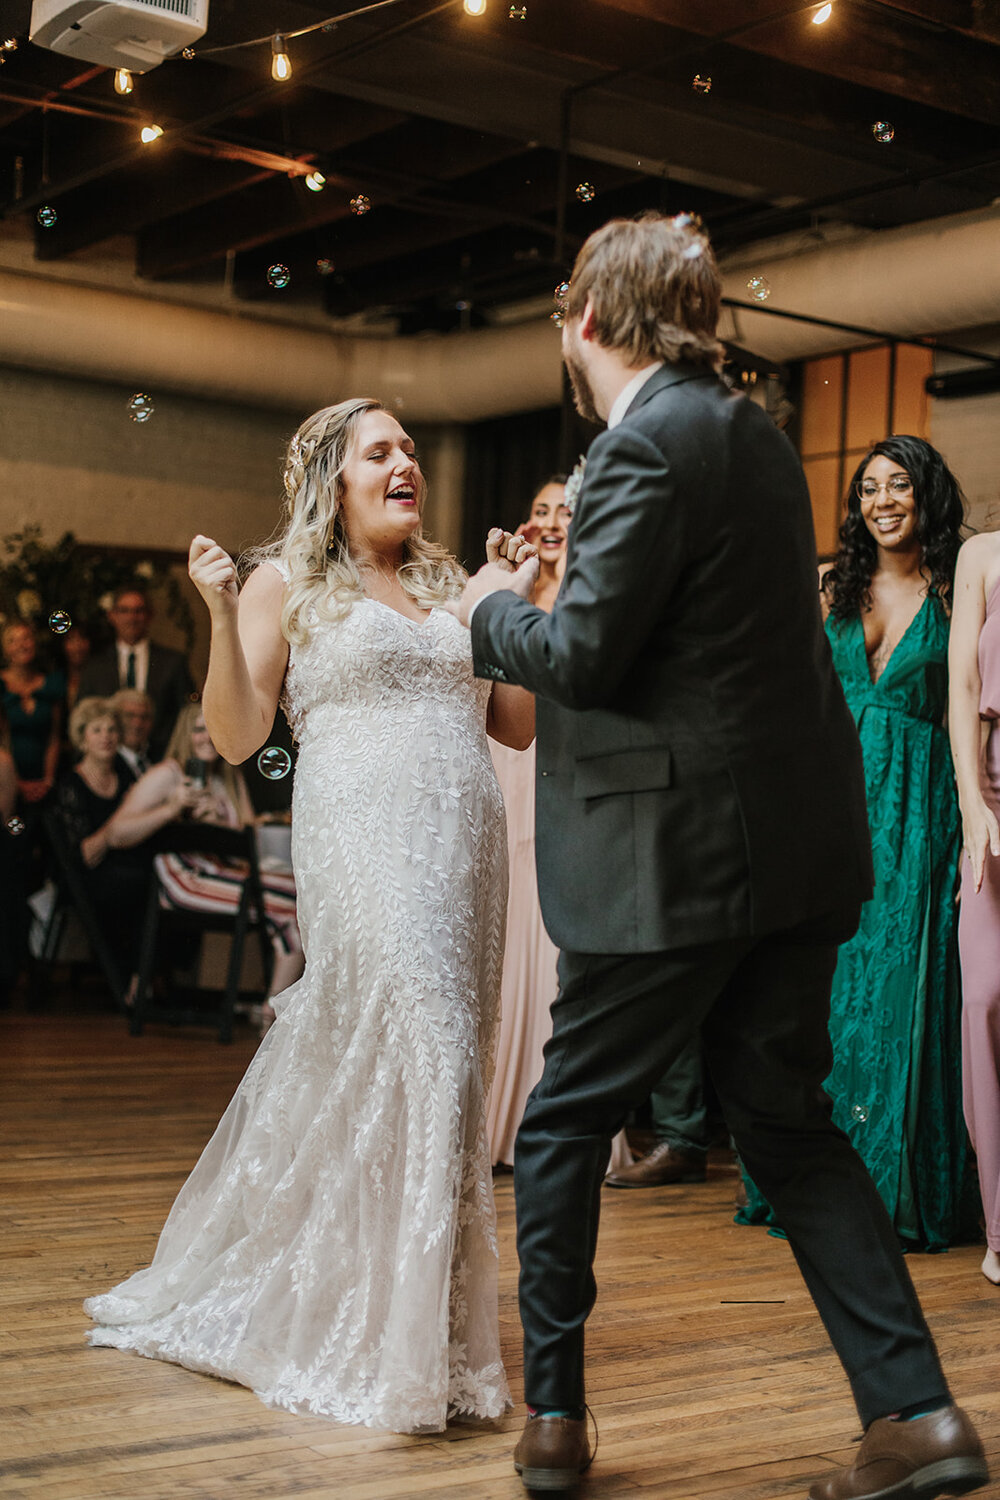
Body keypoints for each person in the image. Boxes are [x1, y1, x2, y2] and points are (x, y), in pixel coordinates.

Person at [453, 213, 987, 1498]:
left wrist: (487, 614)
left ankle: (559, 1423)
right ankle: (917, 1415)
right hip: (791, 856)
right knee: (785, 1124)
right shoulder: (746, 432)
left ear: (585, 320)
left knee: (568, 1117)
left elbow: (583, 655)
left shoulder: (643, 442)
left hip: (670, 857)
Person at [85, 398, 535, 1434]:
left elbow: (512, 723)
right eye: (380, 451)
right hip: (365, 839)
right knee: (425, 1041)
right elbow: (239, 738)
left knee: (436, 1064)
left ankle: (414, 1319)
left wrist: (521, 602)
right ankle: (392, 1347)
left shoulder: (448, 580)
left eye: (412, 448)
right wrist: (214, 609)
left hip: (461, 843)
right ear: (334, 476)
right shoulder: (285, 580)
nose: (405, 462)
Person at [739, 436, 967, 1250]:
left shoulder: (957, 588)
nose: (882, 501)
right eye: (869, 488)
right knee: (824, 992)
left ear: (927, 494)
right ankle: (812, 1183)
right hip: (826, 807)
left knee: (905, 985)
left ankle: (892, 1184)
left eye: (899, 485)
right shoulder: (829, 588)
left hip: (919, 809)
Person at [104, 701, 303, 1013]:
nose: (207, 737)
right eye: (199, 729)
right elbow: (115, 834)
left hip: (227, 872)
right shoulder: (170, 773)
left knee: (304, 896)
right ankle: (274, 1013)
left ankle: (277, 1003)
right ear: (186, 733)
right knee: (294, 914)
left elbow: (248, 838)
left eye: (214, 728)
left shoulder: (228, 777)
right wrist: (170, 809)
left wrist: (219, 822)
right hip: (185, 877)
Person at [488, 477, 569, 1168]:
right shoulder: (506, 586)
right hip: (501, 765)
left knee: (546, 940)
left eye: (566, 510)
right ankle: (486, 1116)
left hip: (561, 769)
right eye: (539, 508)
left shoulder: (597, 594)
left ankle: (542, 1121)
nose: (549, 520)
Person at [949, 526, 1000, 1286]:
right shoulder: (982, 553)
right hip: (993, 791)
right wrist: (971, 802)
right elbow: (961, 686)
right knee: (985, 999)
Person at [52, 697, 151, 981]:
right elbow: (85, 853)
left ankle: (140, 977)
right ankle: (132, 978)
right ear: (82, 738)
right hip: (84, 875)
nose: (106, 737)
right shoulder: (71, 784)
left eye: (111, 730)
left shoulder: (127, 776)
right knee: (139, 884)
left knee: (152, 878)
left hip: (126, 867)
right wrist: (118, 830)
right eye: (97, 730)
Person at [78, 586, 193, 759]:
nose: (132, 618)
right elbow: (82, 717)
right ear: (112, 616)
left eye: (138, 611)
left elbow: (187, 715)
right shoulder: (95, 666)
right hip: (107, 760)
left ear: (149, 616)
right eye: (124, 611)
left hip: (162, 758)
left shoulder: (173, 662)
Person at [1, 619, 64, 804]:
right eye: (13, 640)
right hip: (5, 780)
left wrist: (48, 780)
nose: (21, 645)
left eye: (26, 638)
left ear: (35, 643)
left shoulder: (52, 684)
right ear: (5, 650)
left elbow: (54, 736)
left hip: (46, 782)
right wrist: (16, 782)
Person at [110, 688, 155, 780]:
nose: (137, 724)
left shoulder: (161, 756)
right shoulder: (108, 762)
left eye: (144, 717)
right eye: (129, 715)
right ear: (115, 719)